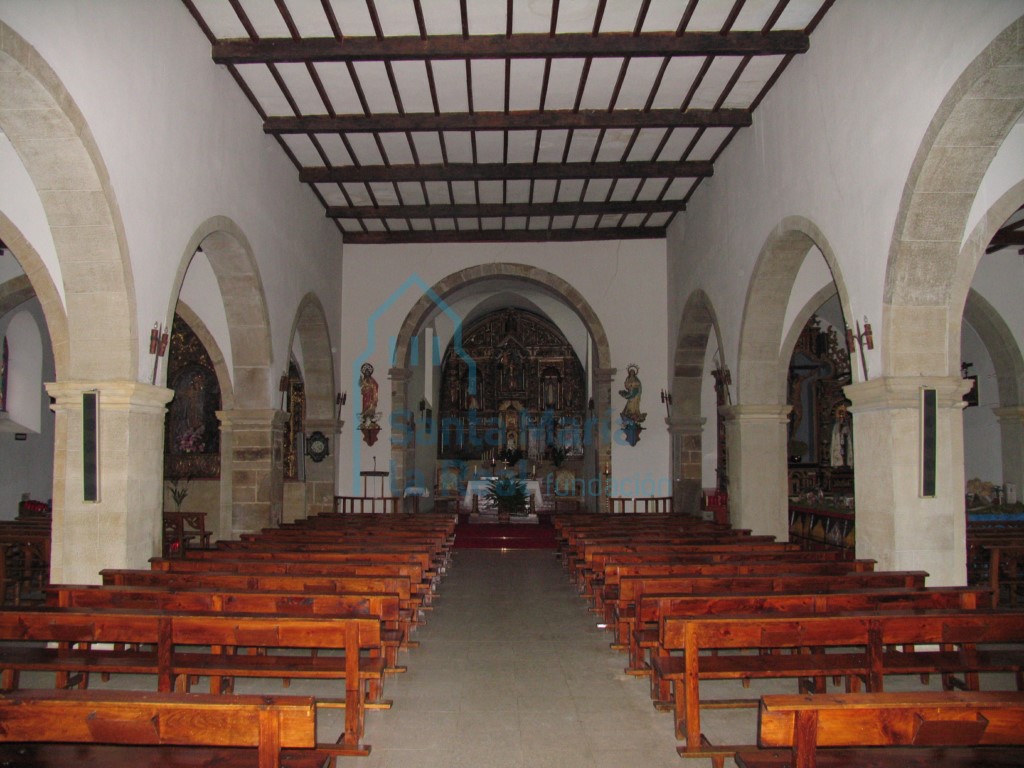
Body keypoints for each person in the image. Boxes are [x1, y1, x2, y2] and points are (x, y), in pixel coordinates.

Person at [359, 362, 379, 428]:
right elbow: (362, 387)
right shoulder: (364, 380)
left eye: (368, 373)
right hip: (366, 395)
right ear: (364, 373)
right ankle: (365, 416)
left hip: (371, 396)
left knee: (370, 406)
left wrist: (371, 387)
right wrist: (364, 387)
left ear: (369, 373)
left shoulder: (372, 380)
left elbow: (376, 385)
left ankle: (370, 416)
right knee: (365, 405)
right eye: (366, 373)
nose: (367, 374)